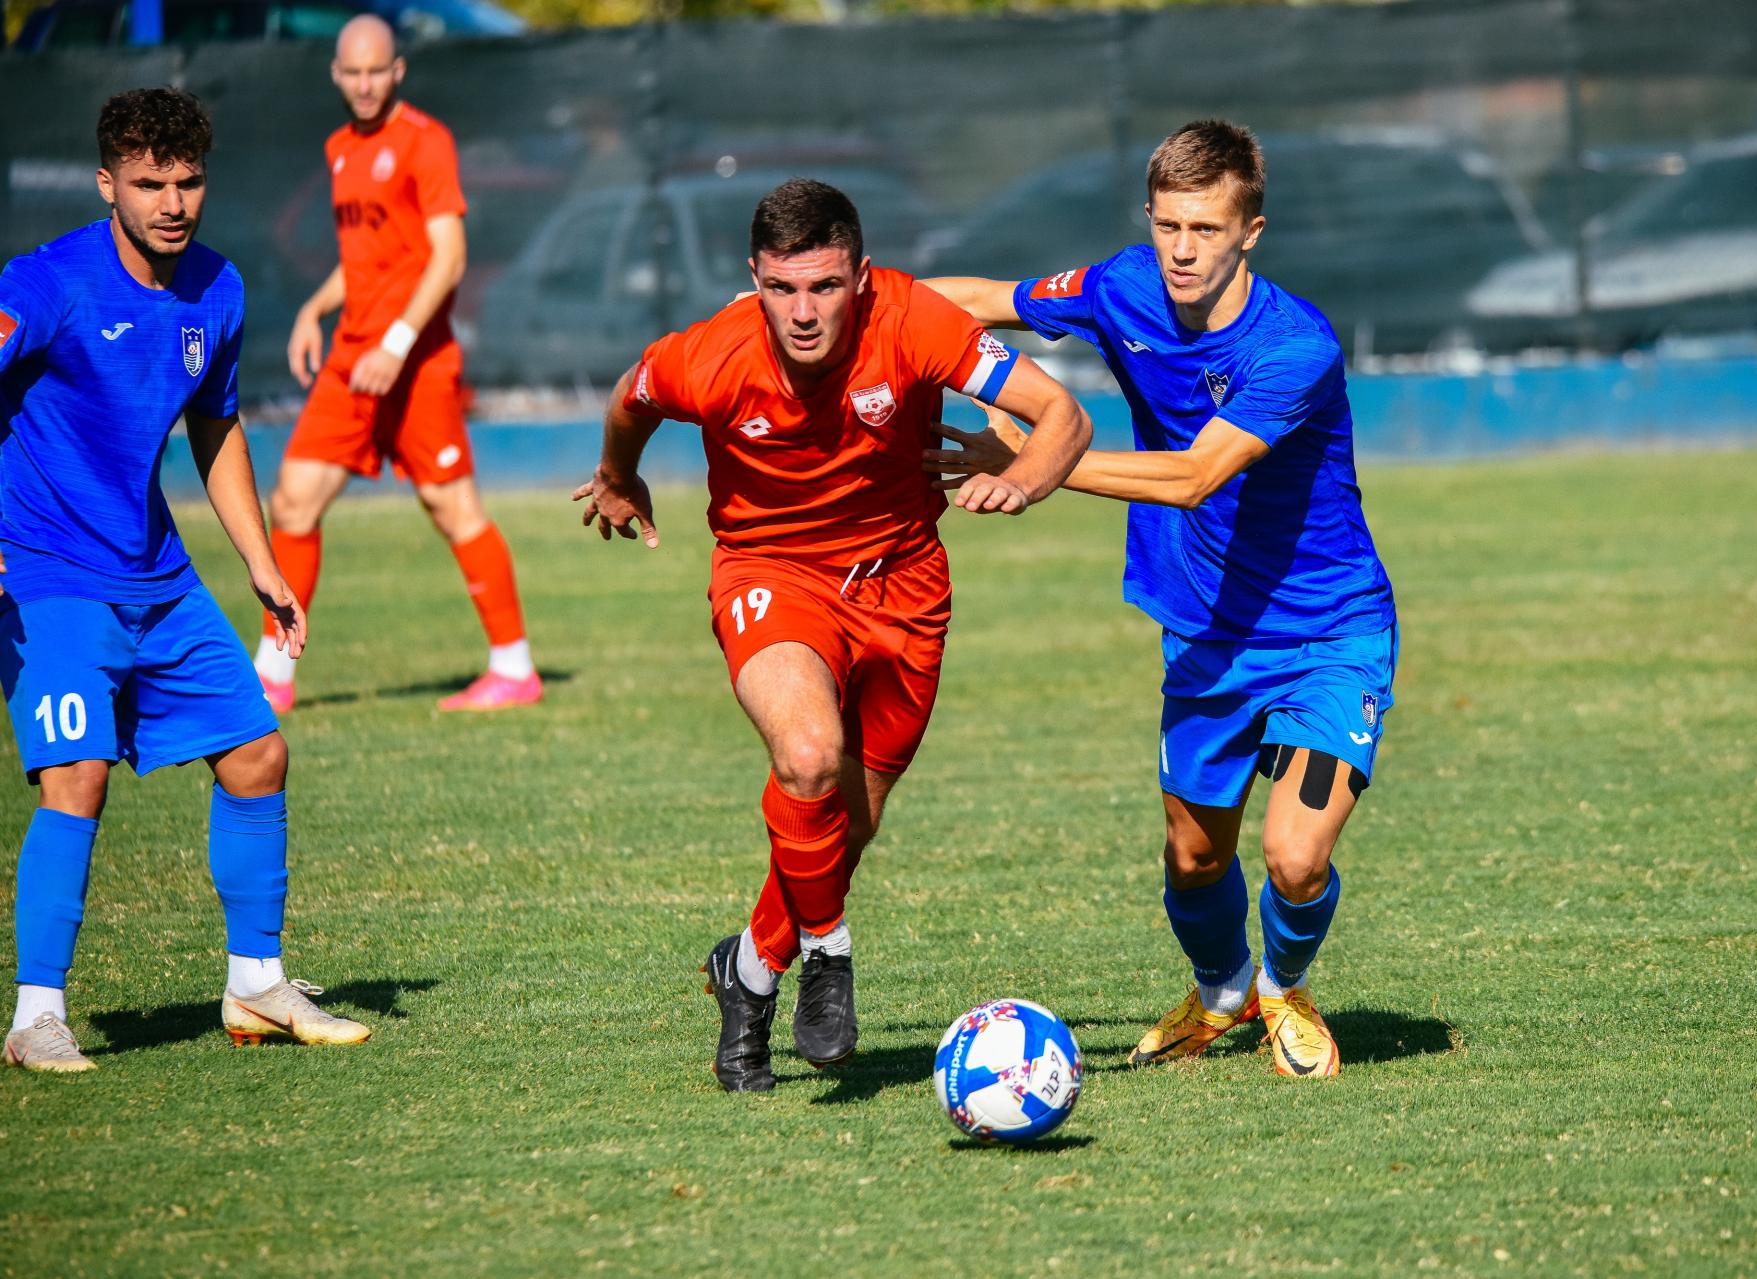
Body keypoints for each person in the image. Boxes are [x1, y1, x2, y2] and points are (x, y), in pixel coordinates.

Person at [575, 178, 1090, 1092]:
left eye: (824, 286)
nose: (803, 312)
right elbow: (631, 395)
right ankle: (828, 956)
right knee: (809, 757)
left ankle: (750, 973)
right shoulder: (710, 356)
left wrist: (1029, 481)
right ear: (754, 279)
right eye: (781, 288)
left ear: (859, 274)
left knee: (847, 825)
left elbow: (1065, 416)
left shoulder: (918, 322)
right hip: (772, 578)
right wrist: (619, 474)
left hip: (906, 592)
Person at [925, 120, 1397, 1079]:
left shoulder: (1294, 348)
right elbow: (974, 299)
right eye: (1170, 226)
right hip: (1205, 632)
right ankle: (1221, 993)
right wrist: (847, 306)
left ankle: (1284, 991)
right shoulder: (1121, 286)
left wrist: (1034, 462)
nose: (1185, 251)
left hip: (1328, 632)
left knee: (1295, 857)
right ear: (1151, 218)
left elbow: (1192, 479)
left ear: (1250, 232)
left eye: (1209, 230)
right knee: (1192, 858)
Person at [0, 88, 370, 1072]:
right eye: (149, 182)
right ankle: (37, 1014)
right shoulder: (47, 283)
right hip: (48, 575)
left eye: (189, 180)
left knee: (258, 754)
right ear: (107, 183)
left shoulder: (219, 289)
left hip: (156, 572)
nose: (172, 200)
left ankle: (255, 984)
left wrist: (261, 562)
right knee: (74, 776)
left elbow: (215, 426)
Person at [256, 14, 538, 713]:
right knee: (292, 500)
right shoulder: (339, 148)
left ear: (398, 71)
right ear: (334, 74)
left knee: (451, 506)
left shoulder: (425, 141)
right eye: (350, 72)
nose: (362, 84)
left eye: (375, 70)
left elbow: (448, 258)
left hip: (415, 362)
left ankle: (514, 669)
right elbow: (367, 262)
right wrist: (311, 309)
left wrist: (396, 343)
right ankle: (272, 676)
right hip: (354, 357)